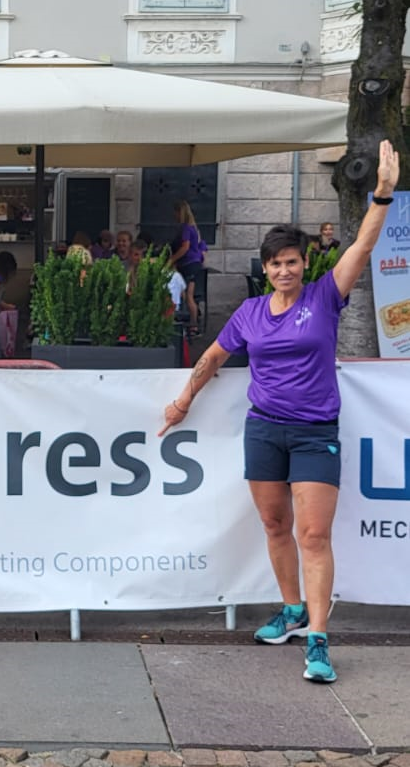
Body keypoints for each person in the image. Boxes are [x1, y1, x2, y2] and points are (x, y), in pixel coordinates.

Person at [158, 139, 400, 685]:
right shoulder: (248, 312)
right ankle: (291, 610)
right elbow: (214, 356)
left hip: (316, 433)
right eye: (275, 263)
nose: (284, 270)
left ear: (303, 263)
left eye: (291, 261)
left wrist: (382, 195)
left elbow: (361, 248)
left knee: (314, 536)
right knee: (274, 525)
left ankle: (318, 639)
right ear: (265, 269)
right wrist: (182, 401)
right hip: (264, 429)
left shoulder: (324, 296)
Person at [168, 201, 204, 336]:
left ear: (180, 212)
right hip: (193, 264)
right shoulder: (193, 228)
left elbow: (185, 247)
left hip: (189, 265)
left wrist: (172, 260)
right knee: (186, 295)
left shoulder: (186, 229)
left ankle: (193, 326)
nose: (174, 215)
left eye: (175, 212)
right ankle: (191, 323)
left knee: (188, 296)